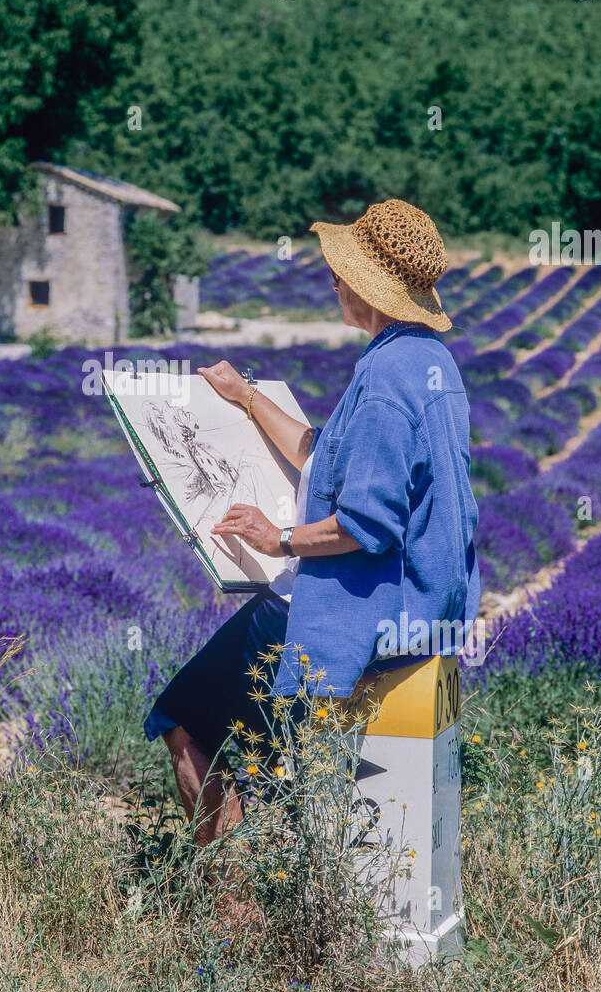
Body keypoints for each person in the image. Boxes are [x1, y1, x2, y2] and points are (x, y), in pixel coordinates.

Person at [143, 198, 481, 852]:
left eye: (338, 272)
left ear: (365, 287)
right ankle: (271, 907)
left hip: (328, 611)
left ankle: (232, 924)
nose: (331, 282)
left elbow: (366, 523)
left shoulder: (383, 381)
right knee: (263, 764)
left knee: (193, 728)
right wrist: (246, 397)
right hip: (413, 613)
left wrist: (278, 540)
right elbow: (320, 451)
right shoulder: (429, 363)